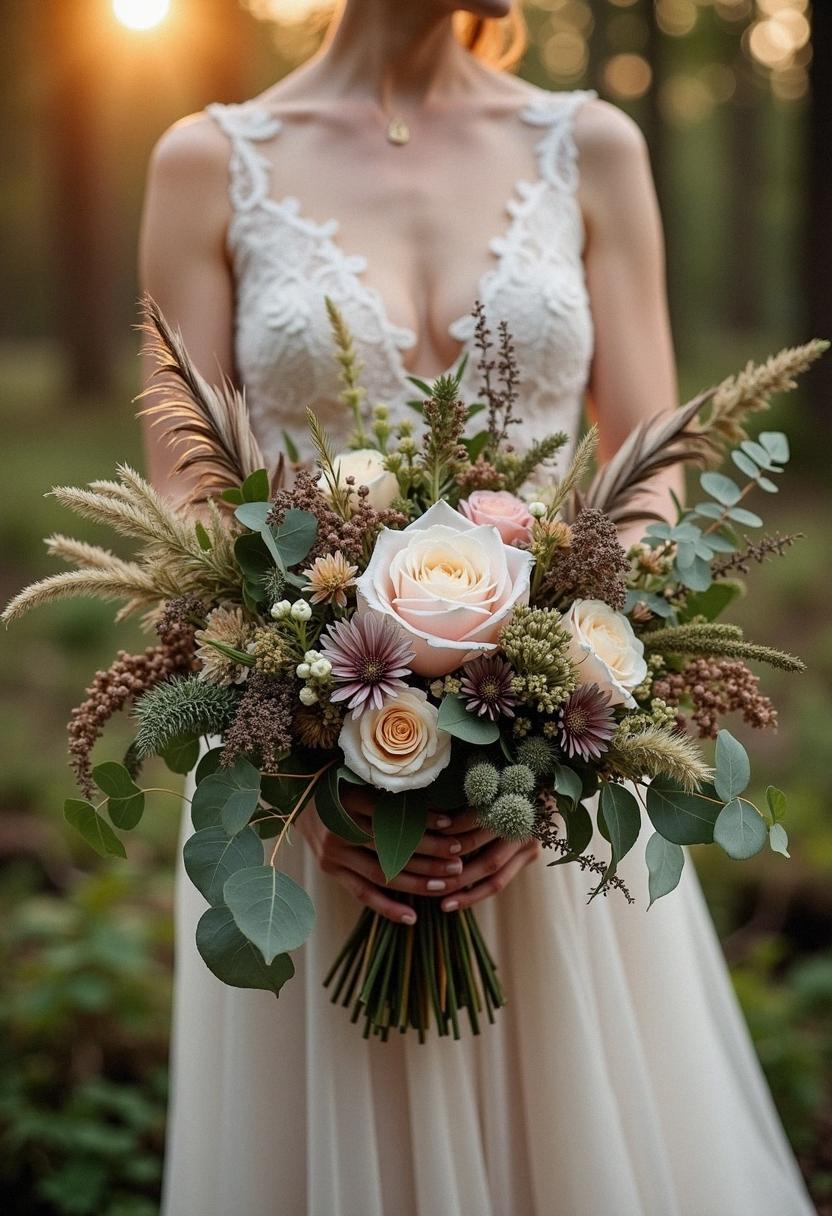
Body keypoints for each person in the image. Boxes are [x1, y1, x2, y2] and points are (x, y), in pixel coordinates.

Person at [138, 3, 816, 1213]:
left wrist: (577, 688)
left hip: (552, 756)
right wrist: (302, 760)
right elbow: (186, 493)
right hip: (300, 767)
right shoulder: (205, 159)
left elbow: (650, 462)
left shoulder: (591, 143)